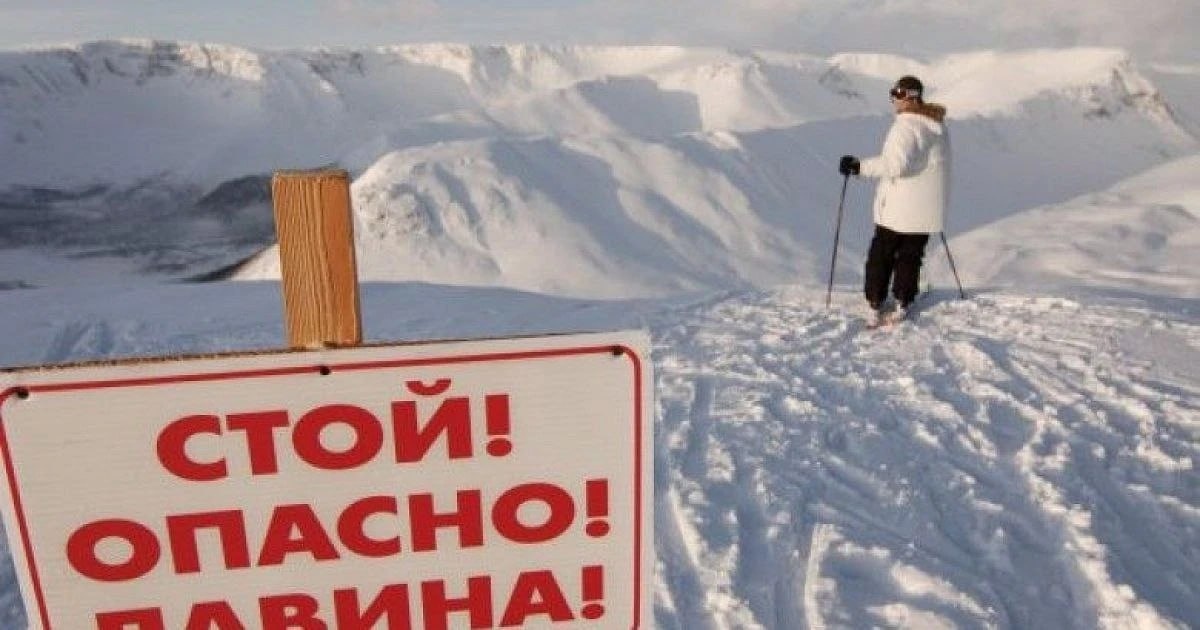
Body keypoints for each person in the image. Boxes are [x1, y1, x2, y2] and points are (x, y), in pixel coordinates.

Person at [839, 75, 950, 326]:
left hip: (899, 206)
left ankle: (875, 300)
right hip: (925, 208)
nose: (893, 99)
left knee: (882, 253)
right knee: (911, 255)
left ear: (911, 97)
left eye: (898, 94)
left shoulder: (907, 126)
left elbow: (895, 165)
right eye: (893, 93)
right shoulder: (936, 126)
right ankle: (903, 300)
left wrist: (858, 167)